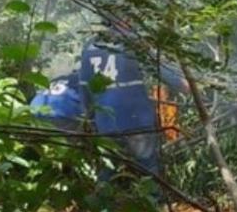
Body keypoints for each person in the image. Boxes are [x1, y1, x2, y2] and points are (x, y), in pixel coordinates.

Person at [76, 21, 184, 177]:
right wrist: (188, 87)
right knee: (148, 169)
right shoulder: (132, 42)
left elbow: (84, 87)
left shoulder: (90, 46)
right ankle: (153, 200)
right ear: (123, 21)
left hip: (106, 122)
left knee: (108, 170)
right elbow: (161, 70)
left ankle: (104, 199)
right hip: (136, 119)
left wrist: (90, 118)